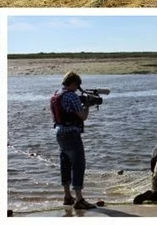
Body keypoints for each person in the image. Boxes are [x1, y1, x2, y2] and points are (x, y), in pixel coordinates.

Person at [50, 71, 97, 210]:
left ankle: (67, 196)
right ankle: (79, 199)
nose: (77, 88)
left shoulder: (56, 94)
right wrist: (87, 105)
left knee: (65, 164)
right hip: (71, 133)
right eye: (77, 85)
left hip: (59, 132)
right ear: (74, 83)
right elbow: (83, 116)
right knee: (78, 164)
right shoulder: (71, 95)